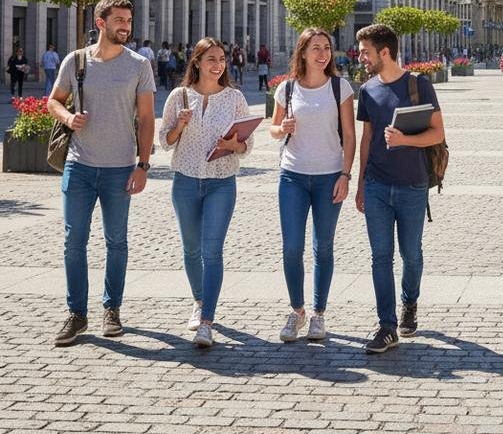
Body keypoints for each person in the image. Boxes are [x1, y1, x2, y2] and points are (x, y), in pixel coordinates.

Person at [46, 0, 156, 346]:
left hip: (119, 168)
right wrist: (68, 118)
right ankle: (76, 314)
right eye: (119, 20)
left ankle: (112, 309)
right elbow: (53, 100)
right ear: (100, 22)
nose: (126, 26)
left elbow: (147, 118)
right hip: (78, 166)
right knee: (72, 242)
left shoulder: (139, 65)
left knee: (116, 242)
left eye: (129, 20)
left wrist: (142, 164)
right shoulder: (75, 61)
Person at [355, 23, 445, 354]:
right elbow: (366, 139)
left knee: (411, 254)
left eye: (365, 51)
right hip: (377, 184)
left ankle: (410, 301)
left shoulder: (418, 85)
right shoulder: (367, 90)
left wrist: (405, 140)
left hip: (412, 183)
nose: (361, 56)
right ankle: (386, 325)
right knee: (380, 257)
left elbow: (437, 133)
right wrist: (361, 182)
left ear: (385, 52)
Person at [159, 37, 253, 347]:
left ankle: (206, 321)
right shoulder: (179, 96)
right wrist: (180, 127)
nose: (218, 64)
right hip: (185, 180)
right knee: (191, 249)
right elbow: (166, 141)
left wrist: (233, 145)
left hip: (221, 181)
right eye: (211, 58)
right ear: (196, 62)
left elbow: (246, 146)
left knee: (212, 251)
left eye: (222, 58)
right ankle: (198, 302)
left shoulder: (235, 98)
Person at [270, 29, 356, 343]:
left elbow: (349, 135)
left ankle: (319, 314)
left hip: (329, 175)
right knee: (292, 248)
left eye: (326, 48)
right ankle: (297, 311)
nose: (322, 54)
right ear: (303, 52)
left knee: (324, 247)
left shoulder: (340, 87)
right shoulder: (287, 88)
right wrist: (282, 128)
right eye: (315, 48)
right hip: (292, 175)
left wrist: (346, 175)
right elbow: (273, 129)